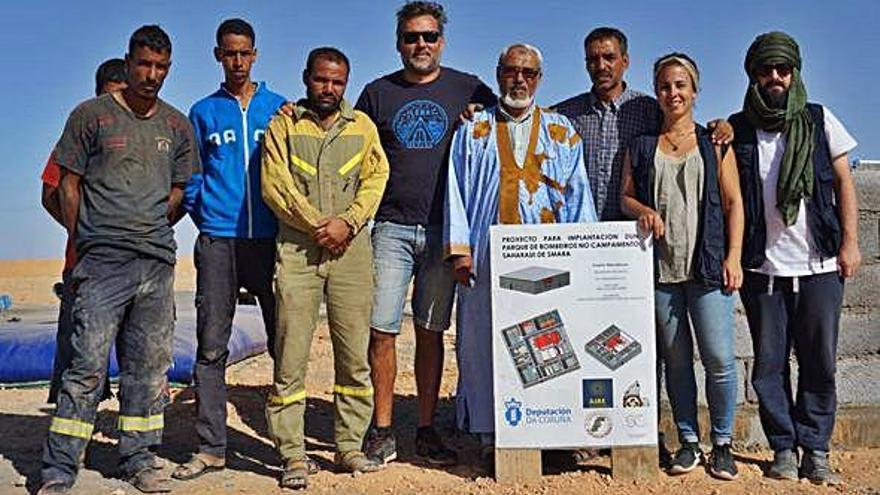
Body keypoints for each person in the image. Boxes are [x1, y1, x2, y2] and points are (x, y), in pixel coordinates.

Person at [39, 25, 198, 495]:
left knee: (148, 367)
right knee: (85, 365)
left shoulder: (176, 125)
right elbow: (65, 183)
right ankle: (59, 468)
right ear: (129, 62)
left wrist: (148, 230)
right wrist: (84, 237)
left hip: (155, 262)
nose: (152, 75)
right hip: (101, 262)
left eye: (161, 67)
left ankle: (139, 458)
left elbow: (179, 190)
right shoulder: (91, 116)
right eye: (145, 64)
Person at [355, 1, 495, 466]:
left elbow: (513, 122)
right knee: (382, 330)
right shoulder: (376, 93)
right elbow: (348, 145)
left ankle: (427, 428)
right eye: (412, 37)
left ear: (442, 41)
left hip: (446, 232)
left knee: (431, 331)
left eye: (429, 36)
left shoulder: (469, 88)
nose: (421, 44)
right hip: (391, 227)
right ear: (398, 43)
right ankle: (380, 428)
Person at [444, 43, 597, 465]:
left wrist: (580, 256)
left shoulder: (562, 131)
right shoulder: (472, 130)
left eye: (528, 72)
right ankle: (492, 434)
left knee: (547, 342)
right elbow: (455, 191)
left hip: (549, 262)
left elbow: (579, 196)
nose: (519, 79)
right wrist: (460, 251)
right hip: (486, 257)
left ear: (539, 78)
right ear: (497, 74)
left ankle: (553, 432)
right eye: (512, 71)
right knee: (483, 344)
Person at [729, 31, 860, 485]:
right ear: (754, 75)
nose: (775, 77)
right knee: (768, 365)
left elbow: (844, 183)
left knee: (819, 360)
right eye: (766, 70)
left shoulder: (820, 119)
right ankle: (783, 448)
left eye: (782, 69)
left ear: (794, 72)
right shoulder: (738, 128)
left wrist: (850, 243)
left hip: (819, 263)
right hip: (762, 267)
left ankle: (817, 449)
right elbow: (731, 198)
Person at [261, 47, 390, 489]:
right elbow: (274, 185)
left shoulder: (363, 127)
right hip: (299, 252)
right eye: (321, 80)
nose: (328, 89)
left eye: (337, 82)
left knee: (354, 355)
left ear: (346, 83)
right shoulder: (283, 124)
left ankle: (349, 446)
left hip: (351, 251)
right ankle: (292, 455)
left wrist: (348, 223)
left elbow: (376, 179)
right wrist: (321, 225)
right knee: (291, 356)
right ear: (306, 78)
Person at [620, 53, 744, 481]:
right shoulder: (641, 145)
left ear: (694, 90)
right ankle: (689, 442)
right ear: (656, 92)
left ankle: (723, 443)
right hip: (661, 272)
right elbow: (625, 197)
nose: (673, 94)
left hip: (708, 269)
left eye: (680, 86)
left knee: (719, 359)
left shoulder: (715, 143)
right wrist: (642, 211)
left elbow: (733, 204)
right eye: (664, 87)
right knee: (675, 361)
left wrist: (733, 256)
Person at [172, 18, 286, 481]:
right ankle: (212, 446)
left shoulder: (279, 109)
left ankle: (287, 446)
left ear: (255, 54)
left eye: (245, 53)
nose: (237, 61)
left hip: (270, 241)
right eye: (229, 53)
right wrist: (207, 218)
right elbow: (194, 176)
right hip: (219, 241)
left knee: (285, 342)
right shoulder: (202, 112)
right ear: (217, 55)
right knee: (211, 344)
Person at [554, 27, 732, 221]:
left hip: (634, 238)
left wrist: (722, 127)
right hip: (579, 236)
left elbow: (684, 129)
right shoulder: (565, 115)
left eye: (609, 57)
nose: (601, 65)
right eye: (593, 59)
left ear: (625, 61)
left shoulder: (649, 110)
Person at [42, 58, 127, 405]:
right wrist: (84, 233)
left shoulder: (148, 137)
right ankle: (70, 444)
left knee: (139, 360)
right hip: (84, 265)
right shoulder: (80, 135)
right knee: (78, 362)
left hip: (135, 266)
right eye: (108, 98)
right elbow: (50, 194)